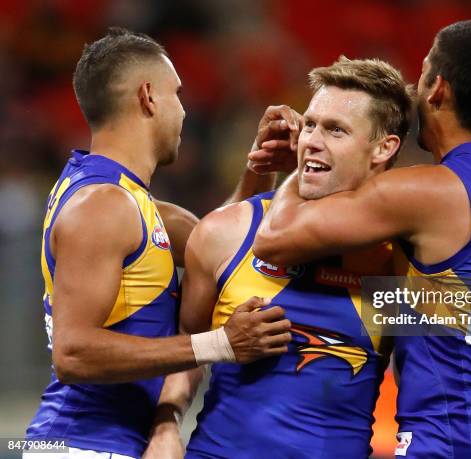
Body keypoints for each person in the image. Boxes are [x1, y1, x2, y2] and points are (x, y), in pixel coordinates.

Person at [254, 20, 471, 458]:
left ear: (437, 90)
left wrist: (304, 160)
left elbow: (274, 239)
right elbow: (452, 311)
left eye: (423, 72)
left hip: (453, 444)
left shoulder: (428, 192)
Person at [24, 28, 291, 459]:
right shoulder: (103, 205)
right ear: (148, 96)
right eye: (177, 94)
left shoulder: (125, 200)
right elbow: (72, 354)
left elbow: (223, 244)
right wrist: (220, 344)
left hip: (102, 442)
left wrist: (259, 163)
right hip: (81, 443)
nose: (184, 112)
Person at [144, 56, 413, 458]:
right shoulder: (226, 232)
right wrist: (165, 427)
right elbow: (187, 348)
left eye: (336, 130)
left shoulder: (401, 259)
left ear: (384, 147)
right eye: (310, 124)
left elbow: (449, 364)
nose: (312, 141)